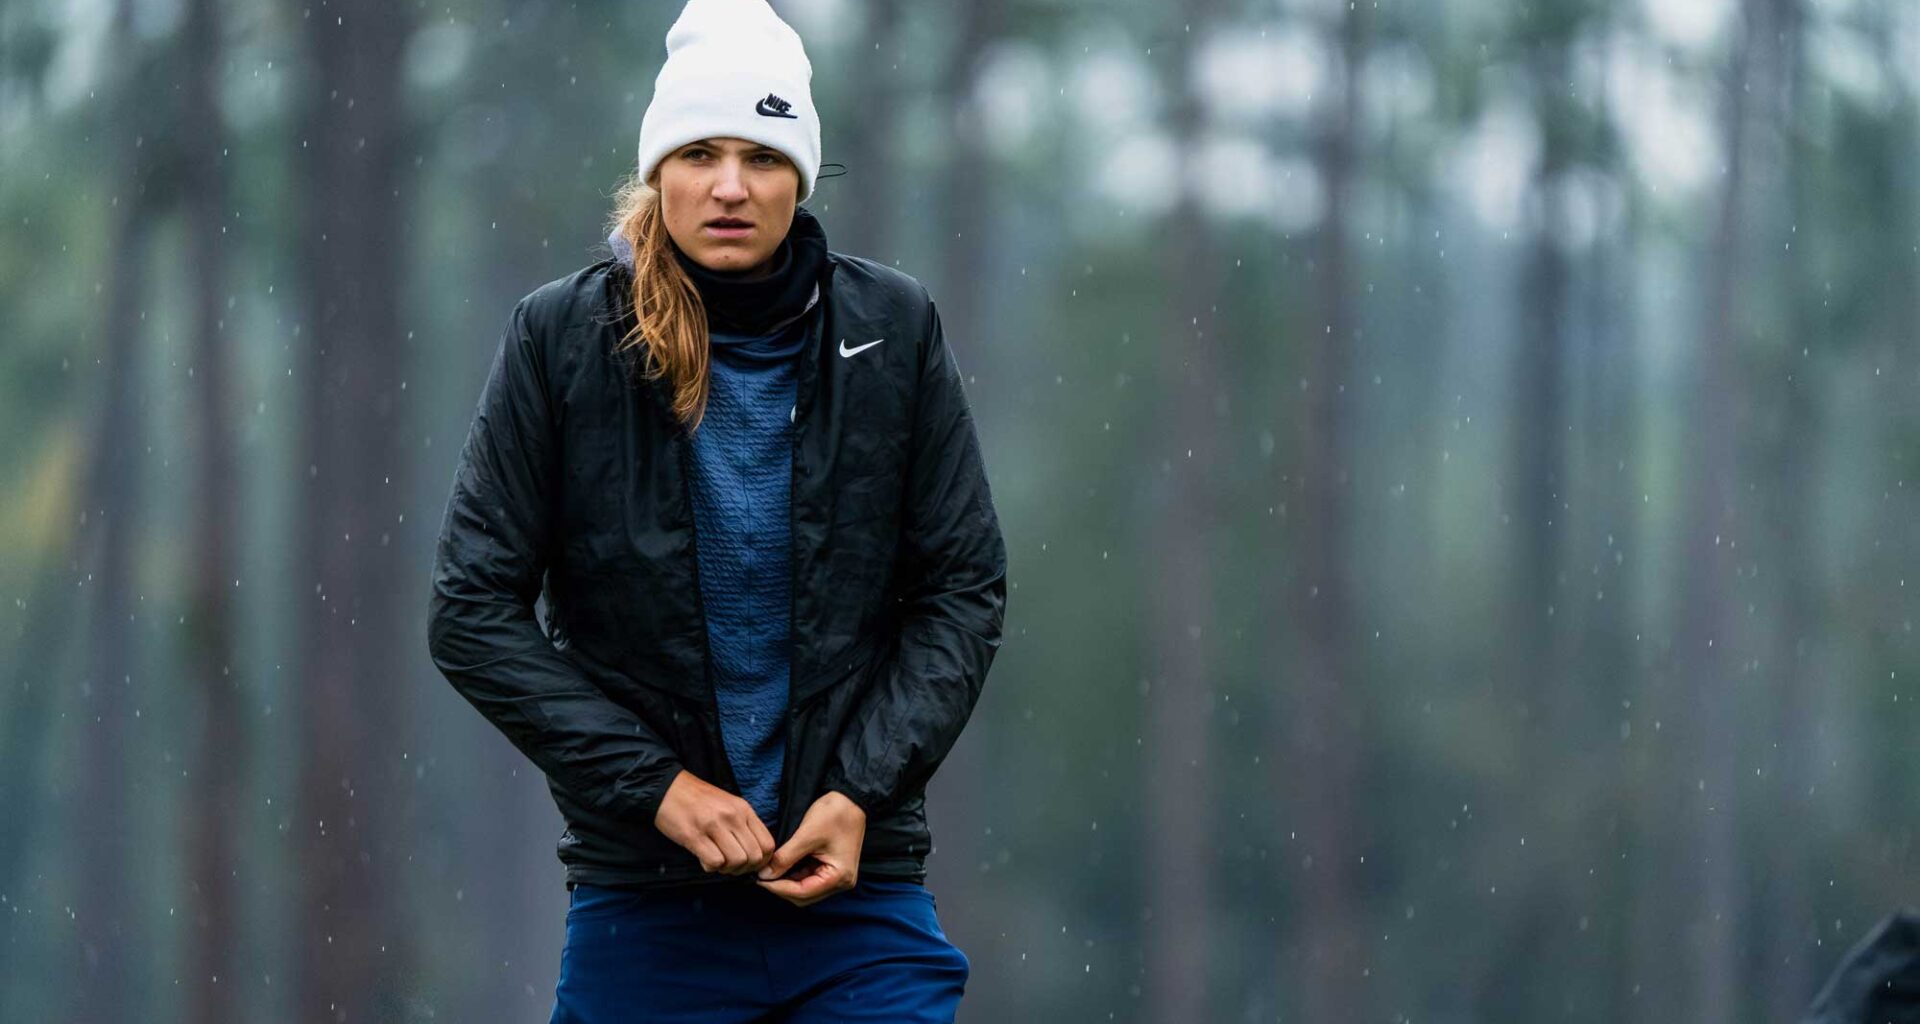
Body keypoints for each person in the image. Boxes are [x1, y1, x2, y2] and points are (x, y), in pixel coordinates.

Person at [425, 0, 1008, 1019]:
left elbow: (961, 589)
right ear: (659, 171)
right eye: (700, 153)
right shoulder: (559, 340)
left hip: (858, 901)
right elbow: (470, 612)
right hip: (644, 912)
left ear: (802, 177)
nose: (731, 185)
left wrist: (858, 793)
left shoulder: (894, 328)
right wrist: (659, 788)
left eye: (763, 156)